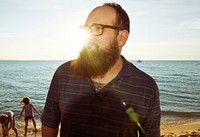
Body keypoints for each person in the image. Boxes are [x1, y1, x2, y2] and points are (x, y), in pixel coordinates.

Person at [41, 2, 160, 137]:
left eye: (97, 28)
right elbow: (50, 123)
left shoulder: (146, 87)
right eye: (86, 29)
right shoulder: (63, 74)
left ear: (121, 38)